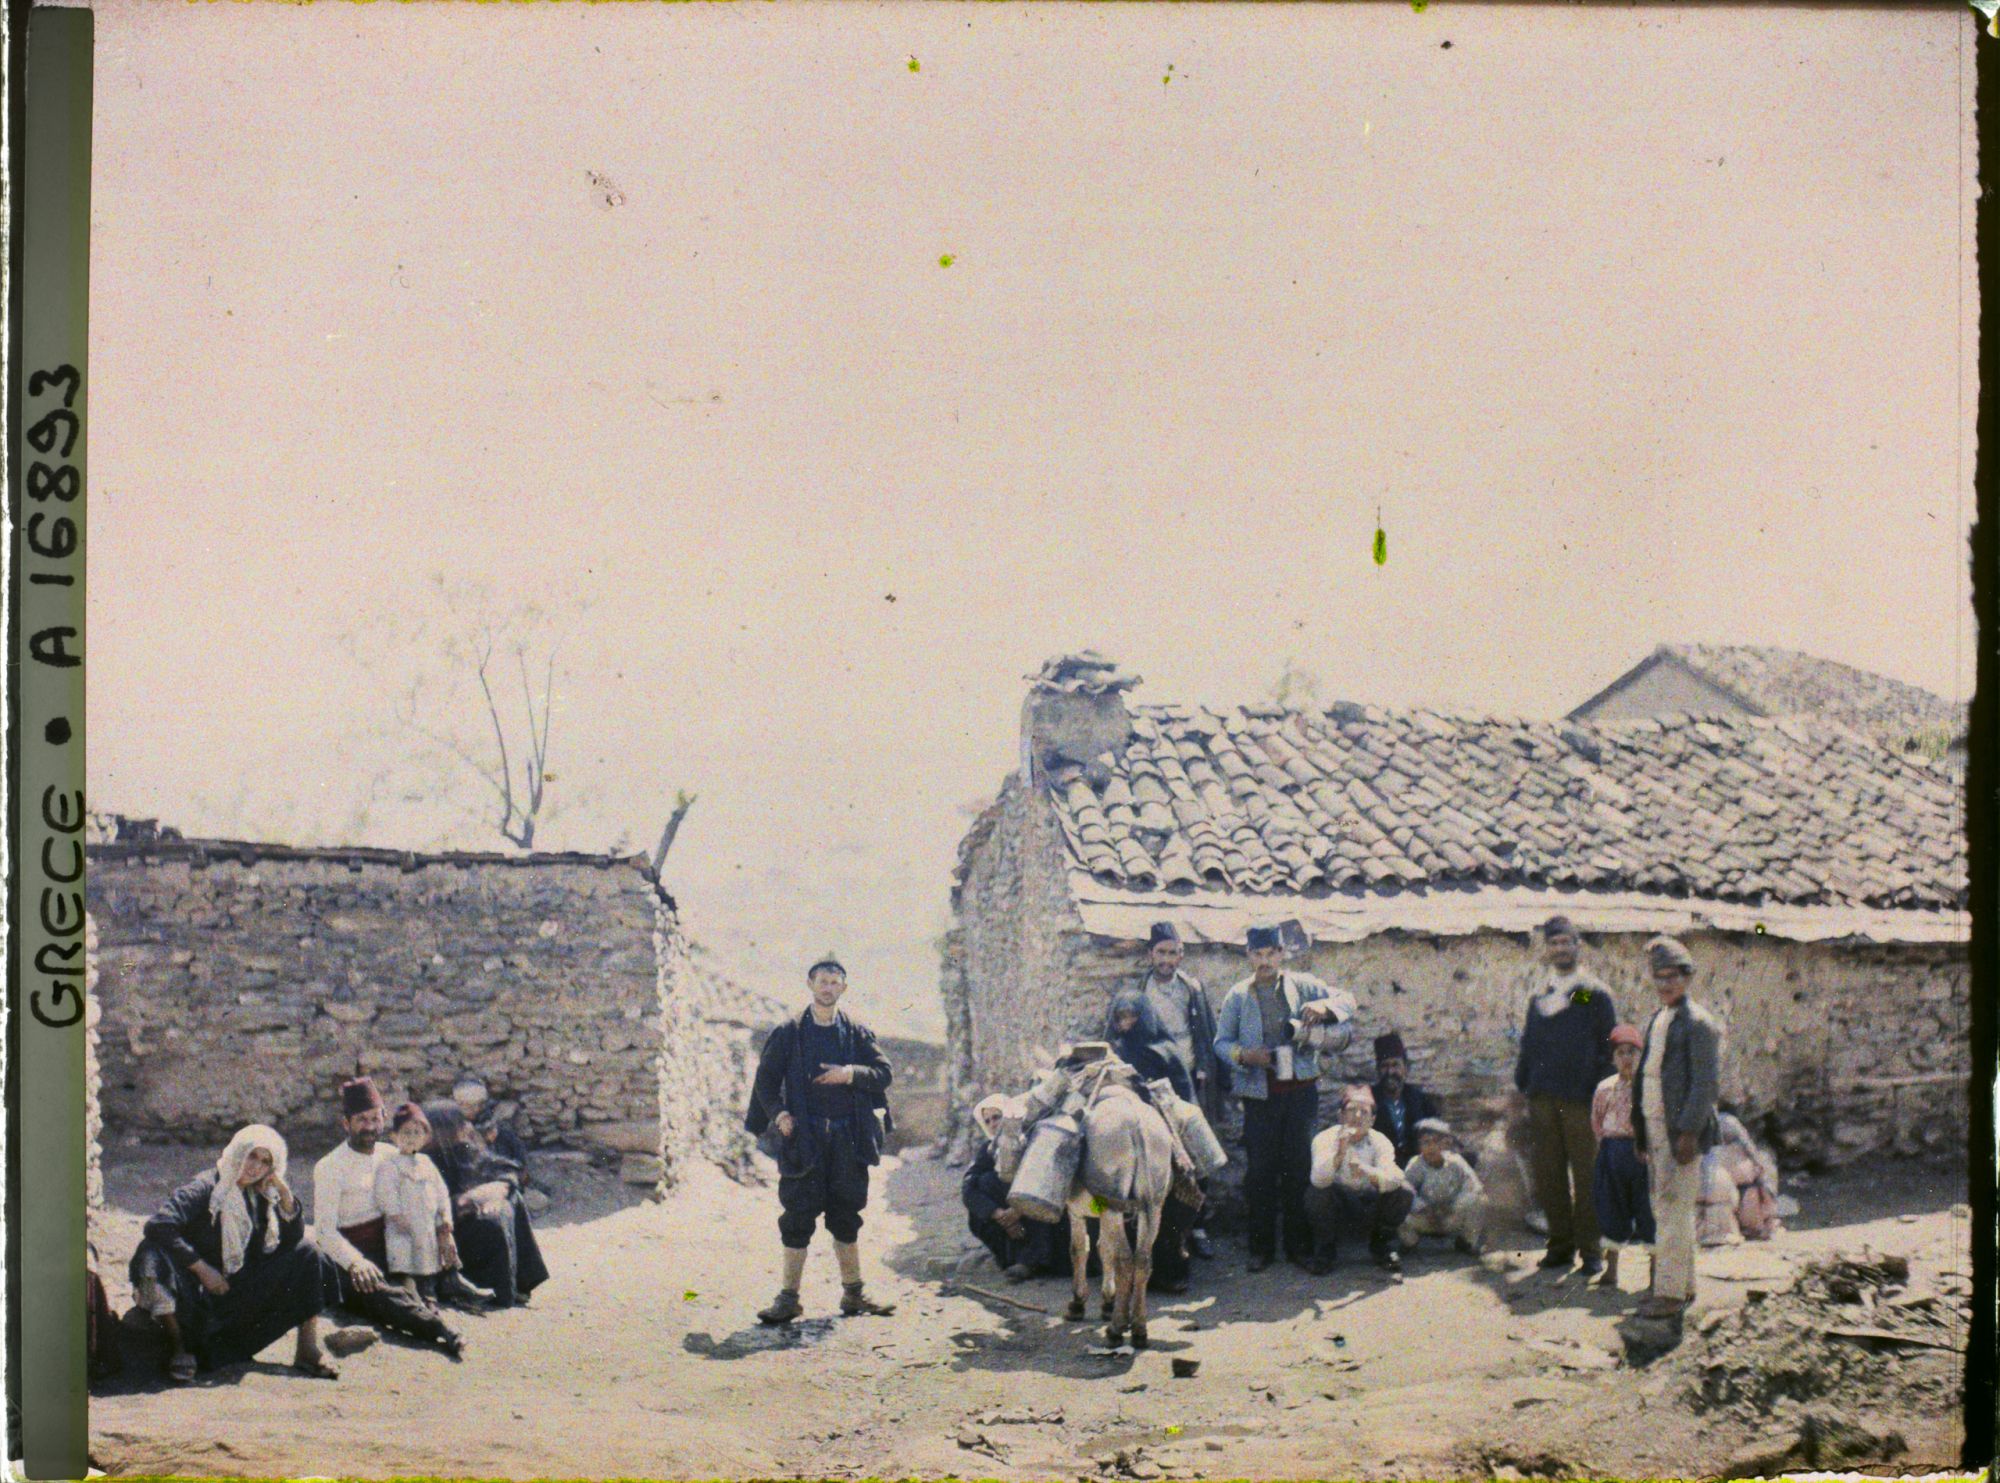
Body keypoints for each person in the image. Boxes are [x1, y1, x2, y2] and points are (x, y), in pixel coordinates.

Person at [746, 956, 898, 1324]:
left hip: (848, 1138)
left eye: (834, 982)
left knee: (846, 1212)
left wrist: (850, 1073)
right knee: (798, 1213)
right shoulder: (789, 1032)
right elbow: (765, 1082)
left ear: (843, 987)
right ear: (810, 985)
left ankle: (854, 1294)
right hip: (805, 1137)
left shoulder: (857, 1032)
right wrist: (780, 1114)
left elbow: (884, 1073)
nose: (828, 988)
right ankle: (788, 1299)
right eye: (822, 981)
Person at [129, 1124, 343, 1381]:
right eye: (252, 1155)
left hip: (230, 1294)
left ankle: (307, 1349)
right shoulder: (206, 1186)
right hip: (192, 1294)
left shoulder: (260, 1195)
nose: (255, 1167)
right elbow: (159, 1224)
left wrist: (285, 1195)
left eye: (265, 1162)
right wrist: (202, 1268)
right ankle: (179, 1346)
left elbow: (291, 1241)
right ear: (238, 1152)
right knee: (151, 1252)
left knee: (309, 1252)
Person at [1212, 925, 1355, 1272]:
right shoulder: (1238, 996)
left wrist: (1324, 1007)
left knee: (1299, 1169)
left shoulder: (1303, 985)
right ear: (1249, 955)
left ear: (1281, 953)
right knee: (1260, 1172)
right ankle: (1260, 1249)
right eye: (1258, 955)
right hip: (1259, 1096)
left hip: (1300, 1093)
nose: (1265, 961)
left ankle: (1298, 1246)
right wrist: (1244, 1055)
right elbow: (1220, 1043)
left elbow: (1347, 1001)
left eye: (1271, 954)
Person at [311, 1076, 466, 1356]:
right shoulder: (329, 1166)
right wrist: (356, 1263)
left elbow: (429, 1190)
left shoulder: (391, 1154)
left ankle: (441, 1291)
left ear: (384, 1118)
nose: (370, 1126)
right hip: (350, 1253)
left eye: (375, 1118)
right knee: (379, 1292)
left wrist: (444, 1231)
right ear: (346, 1123)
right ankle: (439, 1329)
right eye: (361, 1120)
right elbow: (324, 1231)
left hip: (393, 1242)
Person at [1513, 915, 1617, 1278]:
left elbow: (1609, 1045)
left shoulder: (1590, 993)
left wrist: (1599, 1092)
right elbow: (1529, 1043)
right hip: (1543, 1099)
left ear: (1578, 946)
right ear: (1547, 949)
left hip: (1580, 1100)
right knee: (1549, 1175)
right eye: (1554, 943)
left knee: (1587, 1176)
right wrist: (1525, 1083)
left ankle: (1590, 1251)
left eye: (1566, 942)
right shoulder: (1541, 996)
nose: (1560, 949)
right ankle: (1559, 1246)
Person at [1631, 935, 1725, 1321]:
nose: (1666, 984)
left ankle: (1668, 1296)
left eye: (1673, 976)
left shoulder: (1699, 1024)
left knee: (1673, 1210)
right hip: (1656, 1127)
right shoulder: (1659, 1019)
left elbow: (1705, 1086)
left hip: (1679, 1132)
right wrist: (1641, 1132)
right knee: (1669, 1207)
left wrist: (1688, 1133)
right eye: (1660, 977)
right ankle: (1683, 1285)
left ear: (1687, 978)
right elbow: (1647, 1078)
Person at [1135, 923, 1223, 1259]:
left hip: (1186, 1082)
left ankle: (1197, 1226)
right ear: (1150, 954)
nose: (1166, 959)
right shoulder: (1140, 991)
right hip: (1151, 1082)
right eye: (1161, 952)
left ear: (1181, 955)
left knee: (1195, 1150)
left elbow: (1206, 1034)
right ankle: (1161, 1231)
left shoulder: (1191, 989)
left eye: (1173, 953)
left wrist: (1205, 1069)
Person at [423, 1101, 550, 1308]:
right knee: (492, 1223)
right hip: (449, 1229)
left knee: (512, 1200)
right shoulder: (425, 1160)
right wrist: (468, 1201)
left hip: (474, 1209)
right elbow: (431, 1209)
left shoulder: (463, 1149)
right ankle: (492, 1289)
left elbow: (504, 1168)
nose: (466, 1128)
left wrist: (499, 1187)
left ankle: (519, 1283)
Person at [375, 1103, 484, 1310]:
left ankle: (445, 1287)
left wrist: (445, 1219)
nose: (411, 1138)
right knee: (408, 1263)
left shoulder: (426, 1162)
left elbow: (441, 1192)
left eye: (417, 1133)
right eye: (406, 1133)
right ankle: (417, 1299)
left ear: (426, 1137)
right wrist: (396, 1215)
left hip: (427, 1223)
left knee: (431, 1259)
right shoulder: (390, 1166)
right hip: (403, 1226)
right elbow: (385, 1194)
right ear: (394, 1136)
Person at [1305, 1085, 1413, 1275]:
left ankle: (1381, 1245)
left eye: (1364, 1112)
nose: (1357, 1116)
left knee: (1404, 1191)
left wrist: (1368, 1171)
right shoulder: (1325, 1139)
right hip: (1340, 1205)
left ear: (1372, 1120)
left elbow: (1395, 1176)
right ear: (1340, 1116)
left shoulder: (1380, 1141)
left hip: (1370, 1203)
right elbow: (1318, 1180)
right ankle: (1326, 1250)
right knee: (1316, 1194)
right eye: (1351, 1110)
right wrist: (1339, 1154)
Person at [962, 1095, 1068, 1281]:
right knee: (984, 1183)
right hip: (1009, 1218)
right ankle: (1012, 1259)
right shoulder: (988, 1149)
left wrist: (1019, 1210)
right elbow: (968, 1188)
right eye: (987, 1121)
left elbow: (1047, 1180)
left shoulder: (1031, 1141)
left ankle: (1031, 1261)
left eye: (997, 1117)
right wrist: (999, 1215)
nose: (993, 1124)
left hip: (1037, 1212)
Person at [1590, 1024, 1653, 1289]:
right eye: (1621, 1053)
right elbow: (1597, 1122)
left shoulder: (1649, 1088)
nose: (1627, 1058)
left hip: (1644, 1156)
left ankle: (1655, 1272)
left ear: (1641, 1055)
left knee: (1648, 1210)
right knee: (1611, 1208)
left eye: (1632, 1052)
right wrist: (1608, 1149)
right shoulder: (1605, 1088)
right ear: (1613, 1058)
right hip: (1613, 1154)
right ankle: (1612, 1269)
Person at [1399, 1118, 1485, 1256]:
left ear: (1445, 1144)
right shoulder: (1416, 1164)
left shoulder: (1456, 1162)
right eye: (1426, 1142)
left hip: (1450, 1215)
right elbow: (1406, 1189)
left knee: (1479, 1199)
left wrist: (1453, 1207)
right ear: (1419, 1146)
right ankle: (1410, 1241)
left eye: (1436, 1142)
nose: (1431, 1147)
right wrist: (1424, 1208)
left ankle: (1466, 1241)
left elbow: (1473, 1186)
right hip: (1426, 1218)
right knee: (1397, 1201)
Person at [1703, 1107, 1781, 1244]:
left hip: (1744, 1189)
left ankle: (1762, 1225)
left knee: (1762, 1175)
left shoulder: (1728, 1123)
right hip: (1717, 1192)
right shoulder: (1713, 1161)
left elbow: (1750, 1151)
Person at [1371, 1032, 1443, 1166]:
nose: (1390, 1072)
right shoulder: (1369, 1101)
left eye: (1395, 1065)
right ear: (1377, 1069)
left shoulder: (1420, 1100)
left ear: (1406, 1068)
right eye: (1384, 1066)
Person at [452, 1074, 530, 1177]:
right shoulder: (448, 1130)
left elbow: (520, 1167)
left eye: (481, 1104)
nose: (476, 1109)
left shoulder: (501, 1130)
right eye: (468, 1105)